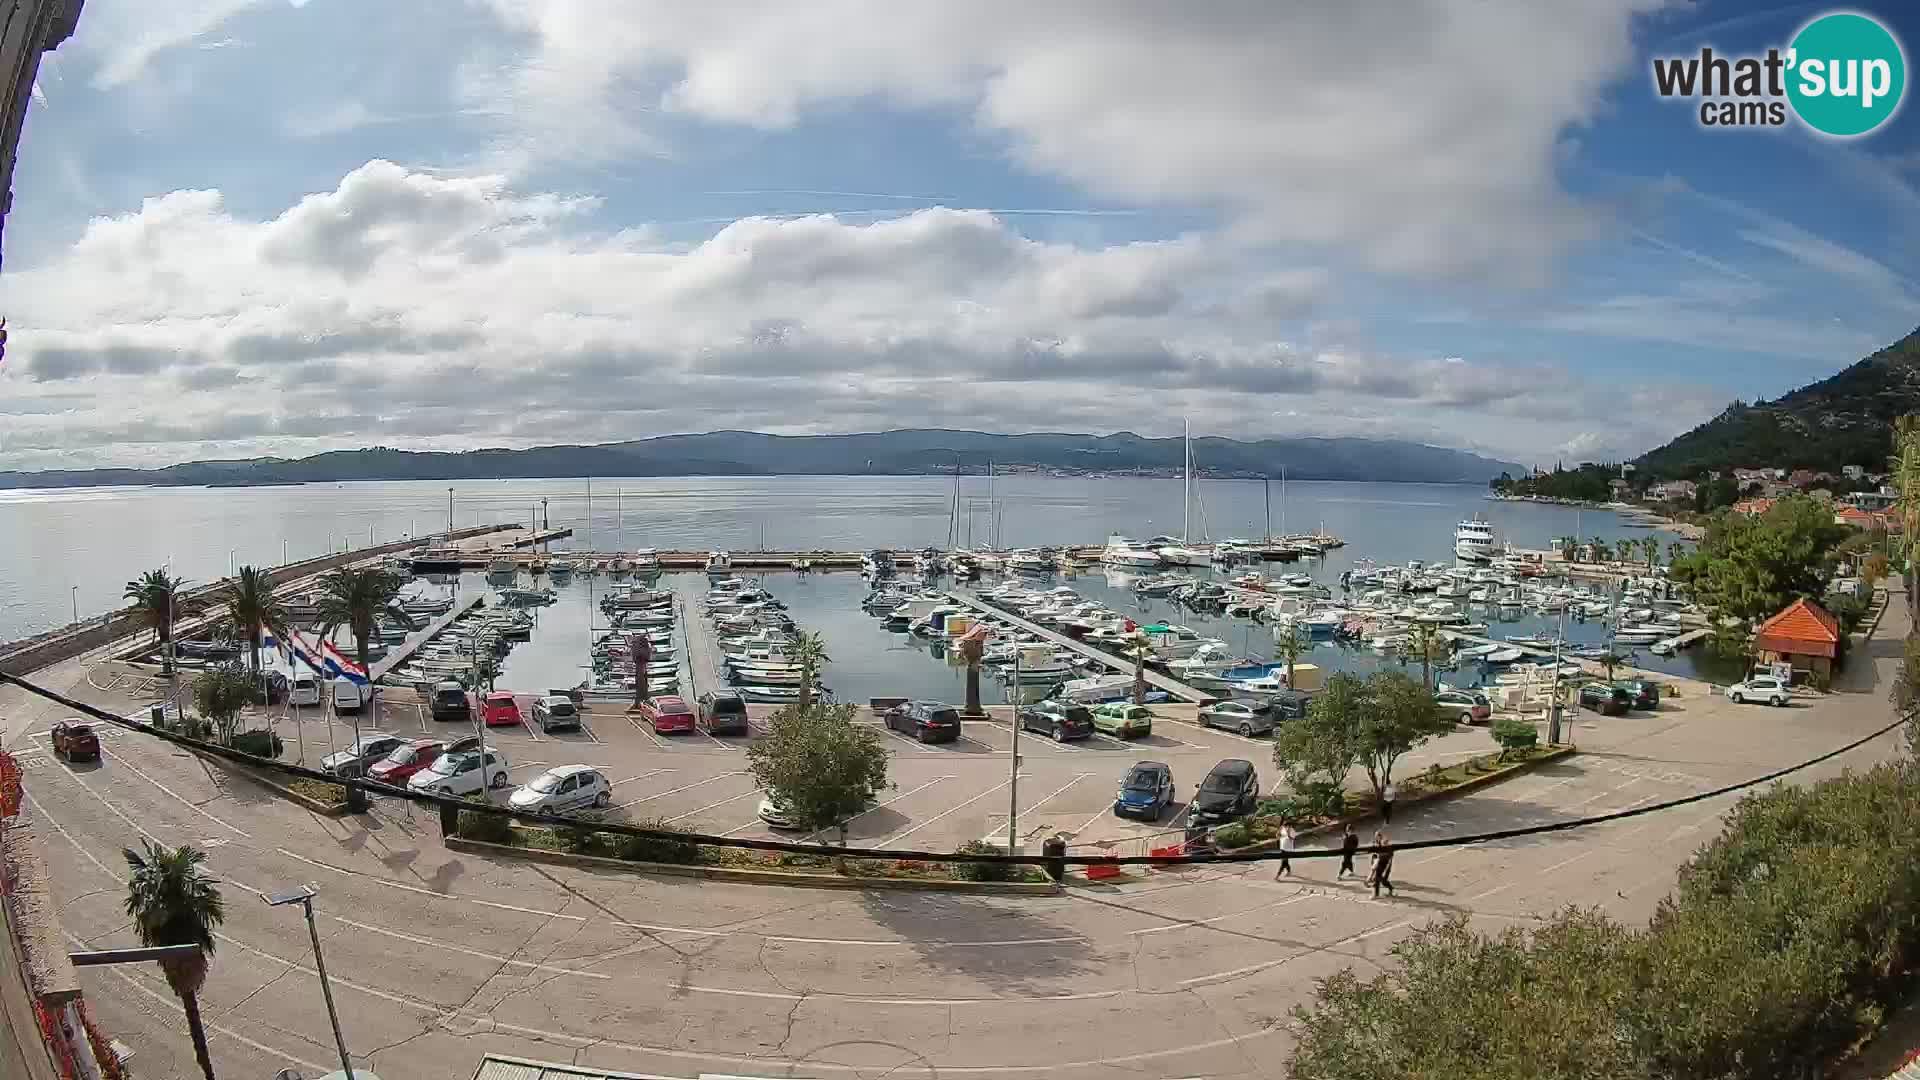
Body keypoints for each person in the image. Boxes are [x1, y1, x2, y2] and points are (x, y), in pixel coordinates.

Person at [1370, 830, 1395, 898]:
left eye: (1378, 836)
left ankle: (1391, 889)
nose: (1377, 838)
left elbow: (1390, 861)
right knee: (1377, 879)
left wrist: (1386, 870)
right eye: (1376, 836)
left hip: (1386, 866)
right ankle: (1376, 894)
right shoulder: (1378, 845)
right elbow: (1376, 855)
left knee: (1383, 881)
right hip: (1380, 864)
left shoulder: (1389, 849)